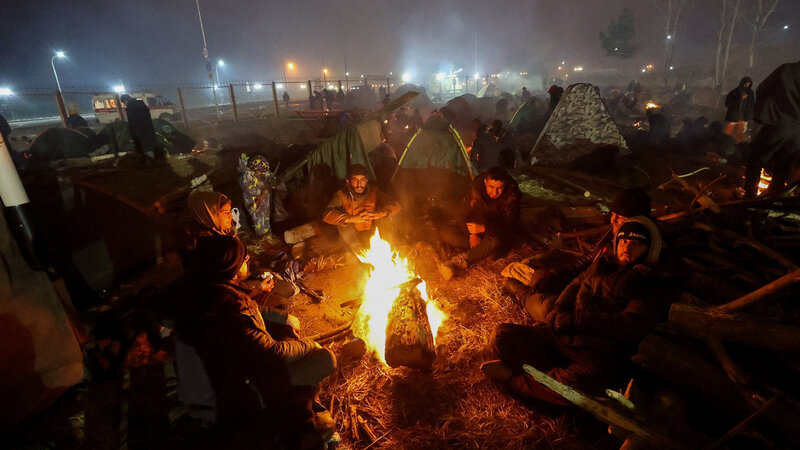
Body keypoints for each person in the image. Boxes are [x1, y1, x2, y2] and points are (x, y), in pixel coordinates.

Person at [174, 234, 336, 448]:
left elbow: (252, 311)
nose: (248, 258)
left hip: (230, 374)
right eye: (244, 259)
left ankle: (297, 407)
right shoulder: (224, 311)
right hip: (232, 397)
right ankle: (297, 418)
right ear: (230, 268)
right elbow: (273, 354)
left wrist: (285, 319)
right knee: (325, 359)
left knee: (283, 325)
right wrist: (309, 345)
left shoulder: (208, 289)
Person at [482, 216, 665, 405]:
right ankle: (547, 374)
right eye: (624, 241)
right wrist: (558, 309)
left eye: (635, 243)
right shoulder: (603, 264)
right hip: (564, 334)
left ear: (647, 250)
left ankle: (516, 380)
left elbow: (629, 324)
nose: (627, 247)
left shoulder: (647, 283)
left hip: (596, 351)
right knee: (502, 335)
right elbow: (575, 285)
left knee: (575, 384)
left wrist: (577, 321)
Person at [502, 187, 652, 321]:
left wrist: (571, 310)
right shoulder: (613, 234)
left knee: (547, 308)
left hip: (590, 300)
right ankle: (527, 279)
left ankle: (521, 292)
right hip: (583, 283)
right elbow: (587, 261)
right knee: (541, 268)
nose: (613, 220)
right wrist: (555, 275)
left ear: (639, 221)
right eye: (613, 214)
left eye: (621, 217)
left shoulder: (643, 251)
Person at [438, 167, 521, 280]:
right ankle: (481, 251)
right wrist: (471, 236)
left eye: (499, 188)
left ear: (505, 185)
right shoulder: (477, 190)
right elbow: (460, 213)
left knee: (495, 242)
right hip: (476, 230)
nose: (495, 192)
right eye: (491, 187)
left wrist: (484, 229)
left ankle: (457, 263)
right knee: (446, 233)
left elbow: (509, 227)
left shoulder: (511, 197)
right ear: (485, 182)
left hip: (495, 234)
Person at [744, 61, 800, 198]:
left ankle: (750, 195)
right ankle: (774, 198)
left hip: (778, 123)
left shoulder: (786, 69)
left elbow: (762, 89)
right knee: (783, 164)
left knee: (756, 158)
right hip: (797, 130)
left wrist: (767, 111)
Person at [322, 164, 401, 253]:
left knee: (386, 216)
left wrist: (380, 214)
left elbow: (396, 205)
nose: (359, 185)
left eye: (362, 180)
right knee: (342, 221)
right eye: (355, 180)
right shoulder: (342, 195)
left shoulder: (374, 192)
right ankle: (357, 250)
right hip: (353, 234)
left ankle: (388, 245)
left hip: (373, 232)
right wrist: (351, 219)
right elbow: (326, 215)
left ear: (366, 181)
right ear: (348, 181)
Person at [238, 154, 277, 237]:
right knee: (258, 217)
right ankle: (261, 235)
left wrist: (272, 181)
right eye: (260, 171)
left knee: (266, 215)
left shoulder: (264, 169)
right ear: (254, 168)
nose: (262, 173)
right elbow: (249, 189)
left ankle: (266, 231)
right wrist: (261, 192)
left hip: (265, 198)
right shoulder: (247, 176)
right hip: (253, 200)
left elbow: (271, 176)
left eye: (264, 171)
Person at [120, 94, 160, 166]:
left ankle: (150, 162)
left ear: (125, 101)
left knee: (143, 146)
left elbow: (132, 122)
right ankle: (152, 159)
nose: (124, 104)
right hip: (148, 128)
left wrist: (133, 133)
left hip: (139, 130)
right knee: (149, 144)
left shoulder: (130, 108)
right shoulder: (142, 105)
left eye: (124, 103)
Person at [724, 77, 755, 143]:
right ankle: (724, 146)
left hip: (744, 119)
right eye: (745, 84)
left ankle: (737, 148)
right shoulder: (734, 92)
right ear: (742, 83)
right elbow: (728, 104)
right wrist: (740, 98)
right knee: (726, 135)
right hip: (733, 118)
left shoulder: (750, 93)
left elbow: (752, 105)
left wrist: (749, 116)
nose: (747, 86)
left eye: (748, 84)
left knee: (740, 137)